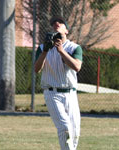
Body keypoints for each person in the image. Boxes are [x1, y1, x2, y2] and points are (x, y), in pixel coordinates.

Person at [34, 15, 83, 150]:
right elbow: (36, 69)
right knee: (64, 127)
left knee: (75, 131)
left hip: (71, 94)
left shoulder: (74, 48)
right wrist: (45, 52)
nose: (56, 23)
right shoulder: (43, 47)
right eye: (54, 23)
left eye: (61, 22)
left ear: (66, 30)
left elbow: (77, 67)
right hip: (52, 93)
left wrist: (61, 51)